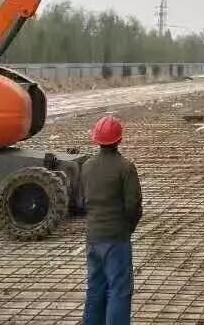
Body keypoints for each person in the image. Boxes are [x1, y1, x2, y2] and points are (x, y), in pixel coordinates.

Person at [82, 114, 143, 325]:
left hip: (93, 237)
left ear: (96, 139)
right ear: (119, 139)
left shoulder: (87, 166)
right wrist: (128, 228)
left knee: (95, 288)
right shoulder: (125, 167)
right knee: (118, 290)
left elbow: (82, 200)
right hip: (116, 238)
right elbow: (133, 205)